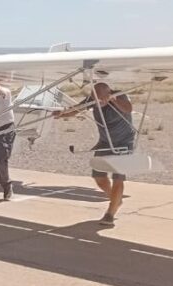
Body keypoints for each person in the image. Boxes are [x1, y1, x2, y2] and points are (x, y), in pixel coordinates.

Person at [54, 82, 135, 226]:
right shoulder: (93, 99)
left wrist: (112, 100)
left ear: (108, 92)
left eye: (100, 99)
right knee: (99, 177)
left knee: (118, 178)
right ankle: (116, 200)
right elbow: (76, 110)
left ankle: (110, 214)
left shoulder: (120, 95)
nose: (97, 102)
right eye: (94, 98)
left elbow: (128, 109)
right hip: (105, 142)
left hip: (123, 143)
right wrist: (62, 114)